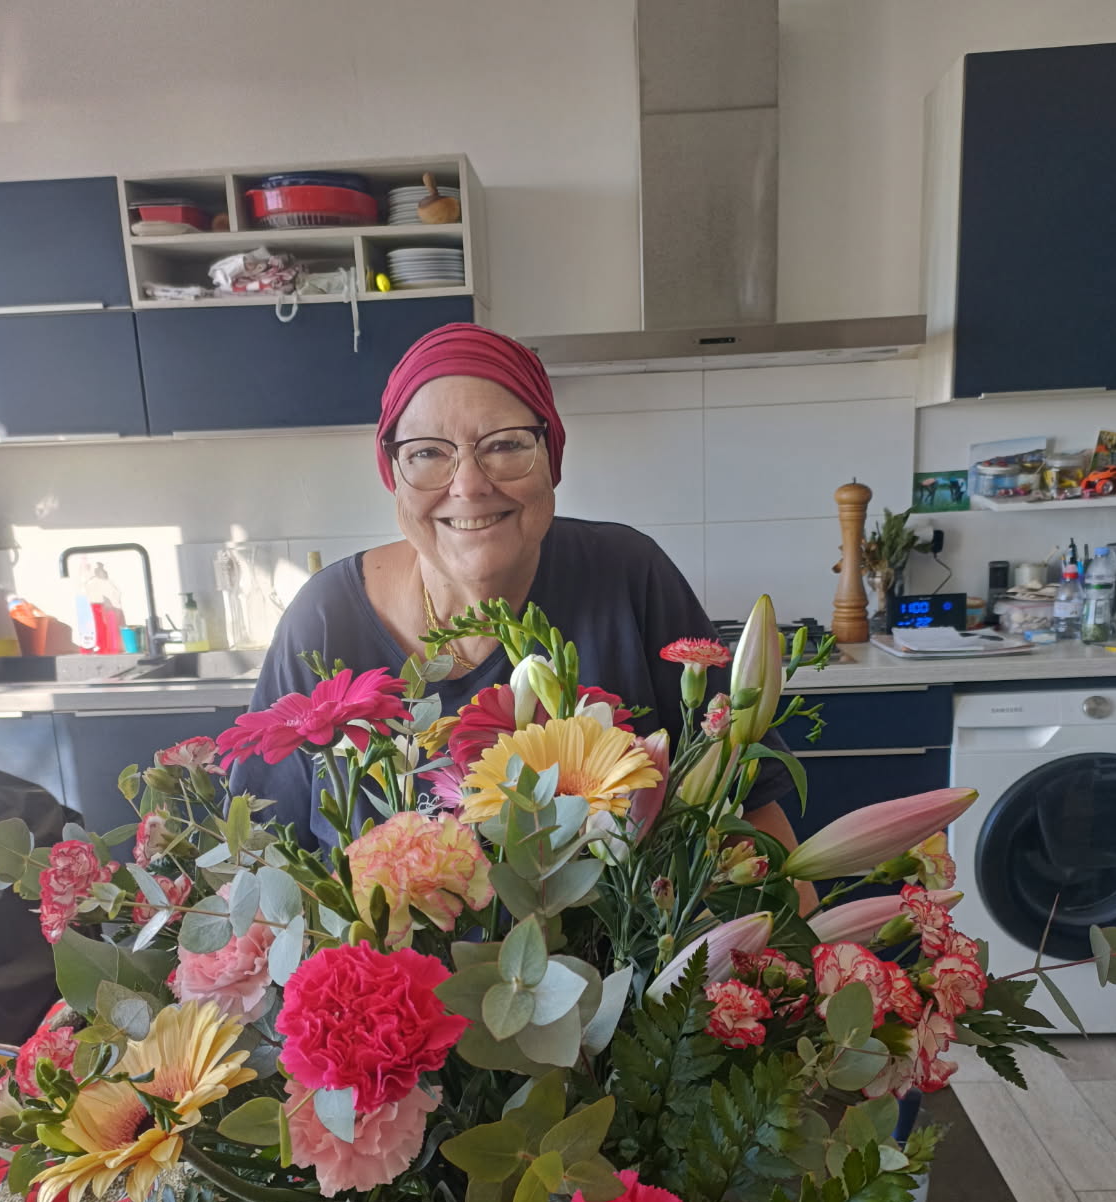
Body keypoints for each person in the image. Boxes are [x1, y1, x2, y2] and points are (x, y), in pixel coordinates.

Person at [233, 324, 806, 877]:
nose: (469, 485)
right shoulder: (324, 619)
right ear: (393, 473)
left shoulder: (629, 575)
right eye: (428, 452)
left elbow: (748, 810)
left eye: (505, 445)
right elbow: (258, 855)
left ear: (551, 458)